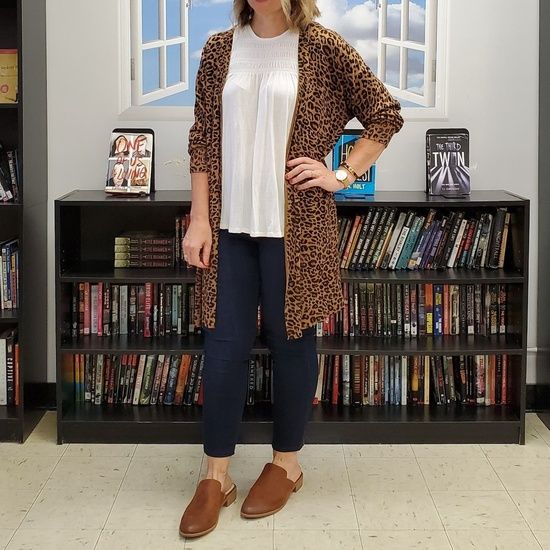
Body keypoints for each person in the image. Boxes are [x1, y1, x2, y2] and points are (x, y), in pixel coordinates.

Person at [179, 0, 404, 539]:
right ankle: (216, 476)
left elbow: (385, 114)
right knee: (224, 345)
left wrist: (342, 173)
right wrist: (199, 219)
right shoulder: (218, 50)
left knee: (292, 340)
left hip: (297, 228)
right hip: (229, 227)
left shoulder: (323, 47)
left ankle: (286, 463)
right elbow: (203, 140)